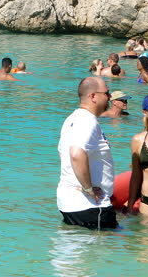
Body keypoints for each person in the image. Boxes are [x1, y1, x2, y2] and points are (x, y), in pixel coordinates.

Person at [56, 77, 117, 229]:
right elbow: (76, 154)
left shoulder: (72, 119)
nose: (110, 97)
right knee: (106, 248)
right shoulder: (87, 121)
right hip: (90, 206)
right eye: (107, 93)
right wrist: (88, 189)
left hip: (72, 204)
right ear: (93, 96)